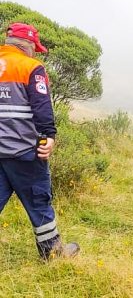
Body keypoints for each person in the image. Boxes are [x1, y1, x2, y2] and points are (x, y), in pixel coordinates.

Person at [0, 23, 79, 260]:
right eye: (35, 48)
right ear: (27, 46)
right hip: (25, 152)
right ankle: (53, 253)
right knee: (39, 201)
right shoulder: (31, 67)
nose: (36, 53)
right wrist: (49, 137)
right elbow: (42, 108)